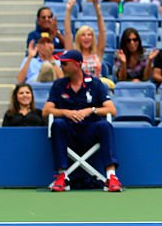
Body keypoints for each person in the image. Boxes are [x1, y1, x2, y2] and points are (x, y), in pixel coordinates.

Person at [42, 50, 122, 192]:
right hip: (69, 131)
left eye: (65, 63)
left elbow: (111, 109)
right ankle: (62, 177)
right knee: (57, 124)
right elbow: (46, 111)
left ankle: (111, 177)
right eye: (61, 63)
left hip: (90, 130)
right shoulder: (58, 85)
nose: (62, 66)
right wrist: (66, 113)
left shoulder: (95, 84)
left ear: (77, 64)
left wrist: (90, 110)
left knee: (105, 125)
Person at [63, 0, 106, 79]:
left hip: (95, 88)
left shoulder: (97, 52)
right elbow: (67, 33)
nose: (87, 37)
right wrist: (68, 11)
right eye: (83, 35)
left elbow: (102, 32)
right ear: (78, 38)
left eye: (89, 35)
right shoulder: (73, 54)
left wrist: (98, 11)